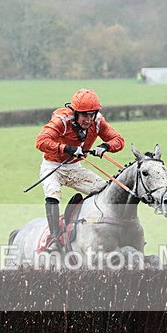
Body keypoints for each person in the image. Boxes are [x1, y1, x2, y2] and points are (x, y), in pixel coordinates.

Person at [35, 88, 125, 252]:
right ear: (75, 113)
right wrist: (66, 148)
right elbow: (41, 141)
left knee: (104, 189)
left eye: (92, 114)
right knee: (53, 193)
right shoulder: (62, 120)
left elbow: (118, 140)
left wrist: (106, 146)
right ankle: (54, 238)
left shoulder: (97, 122)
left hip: (75, 168)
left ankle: (101, 227)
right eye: (85, 115)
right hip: (53, 166)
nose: (88, 119)